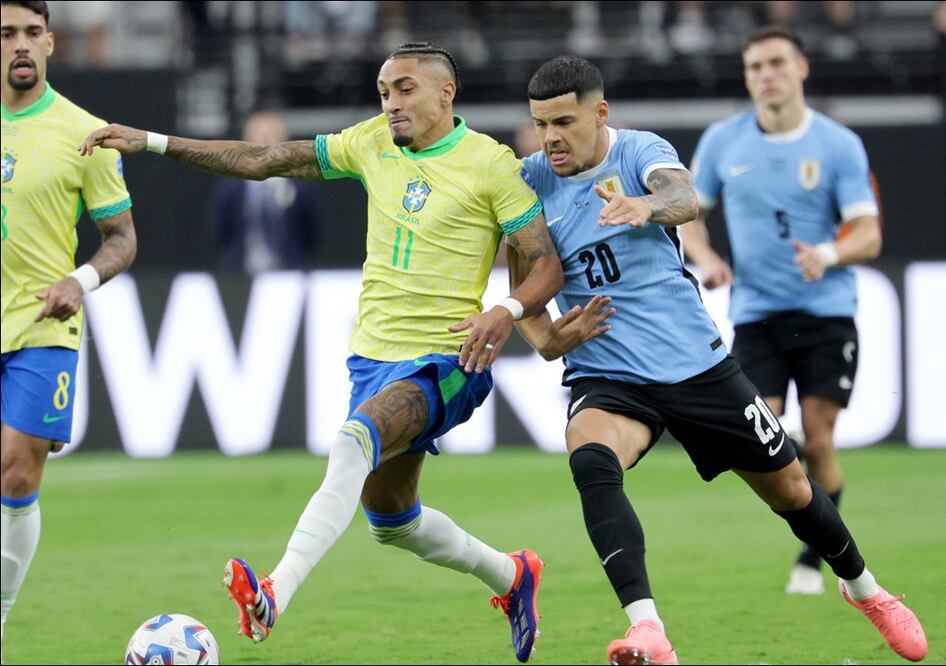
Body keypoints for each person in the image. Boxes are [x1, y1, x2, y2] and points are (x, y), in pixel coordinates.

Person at [81, 42, 564, 663]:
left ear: (447, 93)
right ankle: (512, 575)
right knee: (393, 519)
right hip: (372, 360)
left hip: (449, 360)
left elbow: (545, 265)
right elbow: (262, 159)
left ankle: (274, 593)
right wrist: (151, 141)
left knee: (354, 439)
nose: (391, 102)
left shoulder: (493, 166)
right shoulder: (370, 143)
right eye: (385, 90)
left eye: (406, 89)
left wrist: (506, 310)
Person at [514, 55, 926, 664]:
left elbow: (683, 197)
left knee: (792, 489)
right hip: (607, 372)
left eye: (564, 122)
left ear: (600, 113)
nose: (550, 138)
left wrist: (645, 207)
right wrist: (545, 340)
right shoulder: (528, 182)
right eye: (540, 123)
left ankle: (866, 590)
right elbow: (525, 281)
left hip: (696, 367)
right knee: (591, 459)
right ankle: (648, 630)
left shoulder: (636, 153)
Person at [681, 25, 884, 598]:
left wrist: (829, 251)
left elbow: (867, 234)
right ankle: (821, 543)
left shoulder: (838, 144)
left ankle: (814, 559)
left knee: (817, 443)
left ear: (801, 69)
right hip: (758, 315)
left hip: (825, 313)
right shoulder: (724, 141)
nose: (765, 75)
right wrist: (705, 256)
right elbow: (687, 209)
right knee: (759, 441)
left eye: (775, 63)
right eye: (754, 67)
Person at [1, 0, 137, 658]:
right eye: (5, 34)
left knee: (17, 475)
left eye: (31, 33)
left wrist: (78, 283)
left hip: (43, 325)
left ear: (51, 42)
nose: (19, 45)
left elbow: (121, 238)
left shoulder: (83, 132)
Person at [210, 111, 319, 274]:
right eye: (259, 136)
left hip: (289, 275)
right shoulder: (231, 186)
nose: (265, 143)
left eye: (272, 136)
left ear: (286, 142)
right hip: (240, 276)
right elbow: (222, 231)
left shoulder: (300, 185)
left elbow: (310, 233)